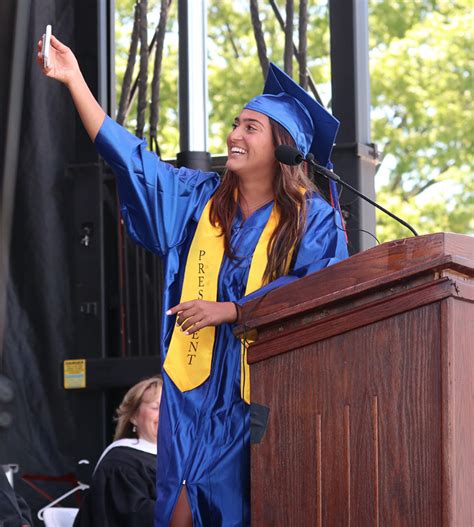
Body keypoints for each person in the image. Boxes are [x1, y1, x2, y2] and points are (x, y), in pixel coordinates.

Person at [38, 34, 348, 527]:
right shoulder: (199, 199)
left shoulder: (315, 221)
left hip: (265, 396)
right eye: (235, 124)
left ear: (285, 149)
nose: (234, 136)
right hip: (194, 390)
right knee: (181, 507)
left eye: (251, 127)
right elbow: (133, 162)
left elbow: (320, 290)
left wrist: (234, 311)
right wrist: (76, 82)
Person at [73, 376, 162, 526]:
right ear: (133, 416)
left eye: (172, 407)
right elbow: (135, 518)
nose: (166, 414)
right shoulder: (120, 464)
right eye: (156, 407)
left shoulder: (182, 460)